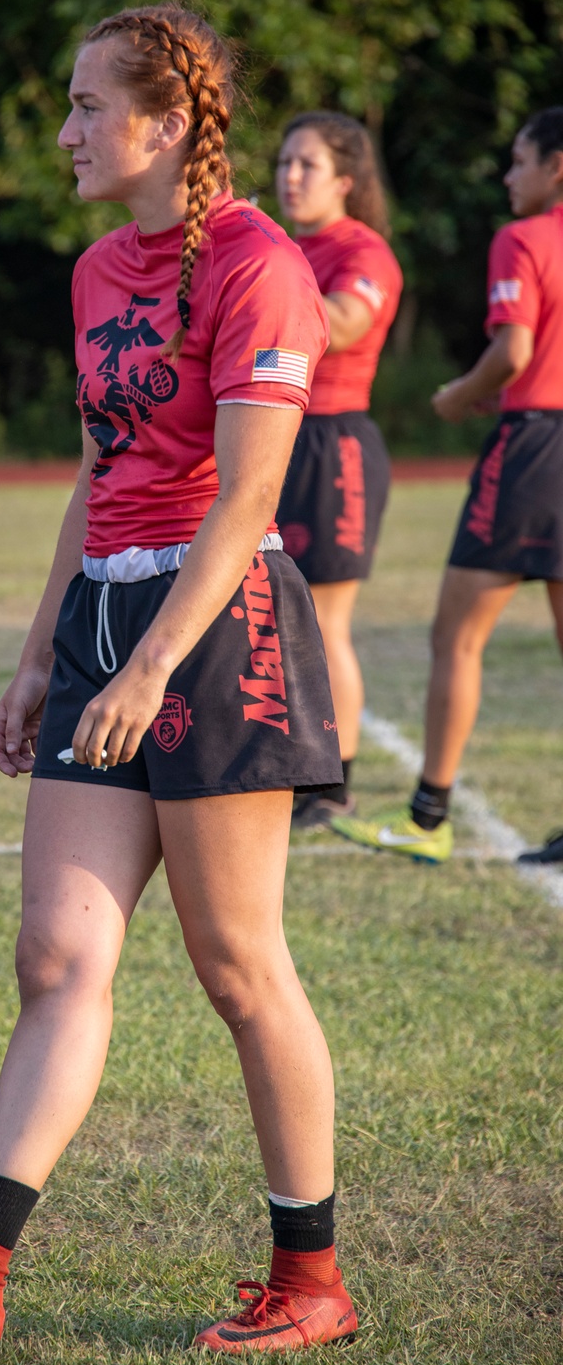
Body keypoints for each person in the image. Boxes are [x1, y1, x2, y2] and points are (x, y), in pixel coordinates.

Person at [0, 4, 358, 1359]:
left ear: (166, 125)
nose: (65, 132)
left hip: (216, 631)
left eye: (87, 106)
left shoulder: (259, 264)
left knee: (235, 961)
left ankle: (313, 1280)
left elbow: (250, 494)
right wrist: (51, 651)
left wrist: (154, 659)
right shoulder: (102, 268)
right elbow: (106, 472)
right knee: (56, 955)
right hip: (109, 618)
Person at [333, 107, 563, 864]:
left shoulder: (524, 238)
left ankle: (428, 817)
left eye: (519, 160)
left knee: (456, 639)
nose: (507, 175)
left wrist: (460, 394)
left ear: (555, 168)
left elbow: (514, 347)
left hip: (535, 447)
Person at [275, 113, 402, 829]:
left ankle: (330, 784)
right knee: (267, 617)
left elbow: (344, 324)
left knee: (325, 622)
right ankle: (288, 763)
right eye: (285, 163)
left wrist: (257, 286)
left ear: (346, 182)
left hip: (334, 443)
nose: (290, 177)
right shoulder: (281, 246)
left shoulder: (364, 251)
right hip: (273, 433)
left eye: (308, 166)